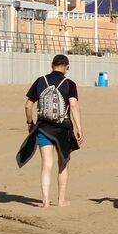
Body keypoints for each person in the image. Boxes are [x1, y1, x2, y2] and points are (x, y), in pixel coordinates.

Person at [24, 54, 84, 207]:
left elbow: (28, 105)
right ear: (67, 67)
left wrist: (30, 122)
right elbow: (74, 105)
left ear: (52, 65)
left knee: (46, 164)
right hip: (63, 129)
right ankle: (61, 200)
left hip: (43, 127)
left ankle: (45, 201)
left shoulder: (40, 81)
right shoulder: (69, 84)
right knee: (63, 163)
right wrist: (79, 128)